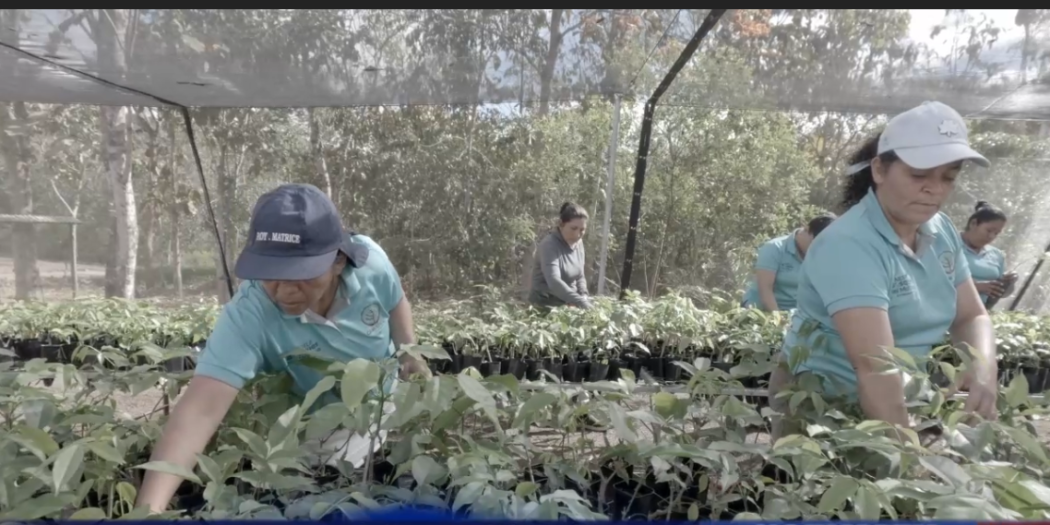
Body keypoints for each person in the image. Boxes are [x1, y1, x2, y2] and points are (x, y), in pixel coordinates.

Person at [136, 184, 429, 513]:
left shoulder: (371, 263)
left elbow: (395, 299)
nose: (285, 290)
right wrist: (148, 512)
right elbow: (199, 412)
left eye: (302, 274)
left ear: (338, 261)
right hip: (309, 426)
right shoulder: (251, 311)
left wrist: (409, 351)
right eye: (272, 274)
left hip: (379, 404)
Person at [770, 101, 997, 439]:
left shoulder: (942, 230)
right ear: (879, 170)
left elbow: (970, 316)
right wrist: (909, 458)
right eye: (918, 175)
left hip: (899, 398)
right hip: (823, 410)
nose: (934, 188)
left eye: (948, 177)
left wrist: (983, 366)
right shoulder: (849, 244)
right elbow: (876, 368)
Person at [741, 214, 837, 312]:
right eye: (815, 243)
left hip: (795, 313)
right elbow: (765, 289)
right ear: (807, 230)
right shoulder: (774, 248)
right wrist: (778, 320)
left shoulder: (822, 255)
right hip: (760, 311)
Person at [529, 202, 593, 310]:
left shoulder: (579, 243)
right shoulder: (549, 245)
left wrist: (584, 295)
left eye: (582, 230)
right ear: (561, 224)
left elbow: (580, 276)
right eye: (574, 228)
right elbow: (554, 281)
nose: (578, 234)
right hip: (545, 304)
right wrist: (580, 301)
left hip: (570, 303)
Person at [961, 201, 1017, 309]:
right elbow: (936, 278)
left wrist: (1008, 283)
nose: (991, 236)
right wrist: (976, 287)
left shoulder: (997, 255)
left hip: (976, 314)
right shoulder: (950, 244)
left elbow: (1001, 293)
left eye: (996, 233)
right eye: (989, 230)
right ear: (973, 223)